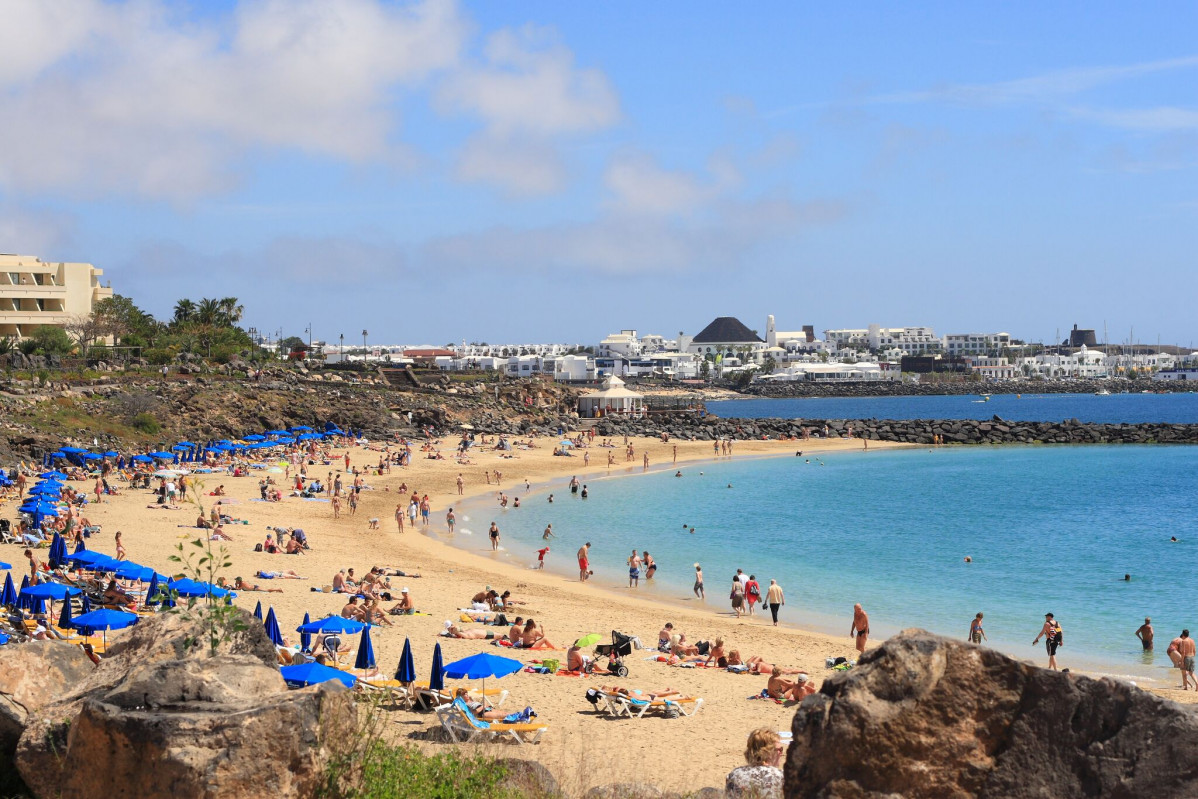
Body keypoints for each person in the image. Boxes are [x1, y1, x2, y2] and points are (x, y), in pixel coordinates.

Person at [725, 728, 784, 799]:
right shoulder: (781, 777)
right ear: (768, 752)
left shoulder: (734, 775)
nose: (781, 753)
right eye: (780, 750)